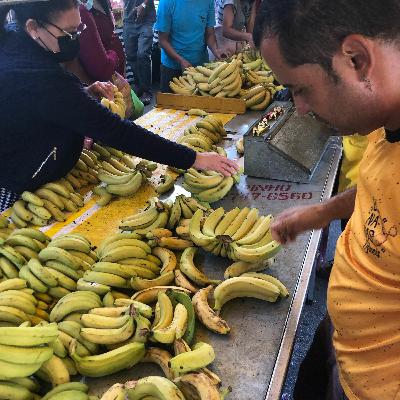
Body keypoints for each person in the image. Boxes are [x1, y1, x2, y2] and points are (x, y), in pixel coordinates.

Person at [254, 1, 400, 399]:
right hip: (340, 342)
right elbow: (379, 190)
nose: (299, 108)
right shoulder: (387, 118)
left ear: (356, 58)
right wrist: (319, 212)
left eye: (302, 89)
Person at [0, 0, 238, 212]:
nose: (75, 40)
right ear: (33, 28)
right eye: (69, 32)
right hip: (18, 189)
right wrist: (194, 159)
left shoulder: (19, 45)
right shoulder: (31, 72)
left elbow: (35, 106)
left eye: (78, 30)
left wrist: (80, 95)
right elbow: (116, 131)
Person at [155, 0, 227, 93]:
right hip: (172, 68)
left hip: (200, 67)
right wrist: (180, 60)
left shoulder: (208, 2)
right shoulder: (167, 2)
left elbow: (209, 34)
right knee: (170, 105)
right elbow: (163, 40)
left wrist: (216, 50)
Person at [123, 0, 156, 105]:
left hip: (146, 19)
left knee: (142, 54)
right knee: (131, 56)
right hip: (128, 18)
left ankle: (146, 91)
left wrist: (144, 4)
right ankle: (140, 87)